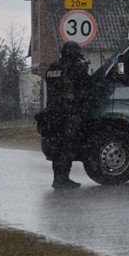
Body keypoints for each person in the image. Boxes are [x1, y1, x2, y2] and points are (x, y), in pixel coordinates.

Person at [37, 41, 94, 189]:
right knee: (67, 147)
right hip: (68, 114)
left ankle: (58, 177)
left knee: (57, 147)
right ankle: (63, 178)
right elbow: (87, 87)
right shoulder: (75, 69)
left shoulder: (53, 69)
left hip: (52, 114)